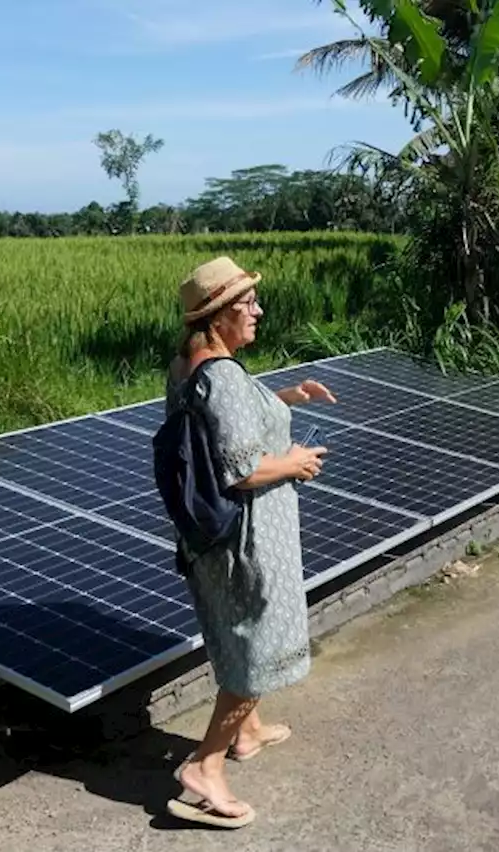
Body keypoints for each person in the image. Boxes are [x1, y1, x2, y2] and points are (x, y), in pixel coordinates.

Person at [163, 256, 336, 829]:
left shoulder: (188, 366)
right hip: (251, 540)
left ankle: (248, 732)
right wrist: (296, 461)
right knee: (259, 647)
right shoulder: (226, 378)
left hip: (212, 540)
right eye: (248, 305)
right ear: (219, 316)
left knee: (238, 636)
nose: (258, 311)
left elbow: (220, 427)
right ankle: (205, 766)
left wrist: (286, 396)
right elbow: (241, 470)